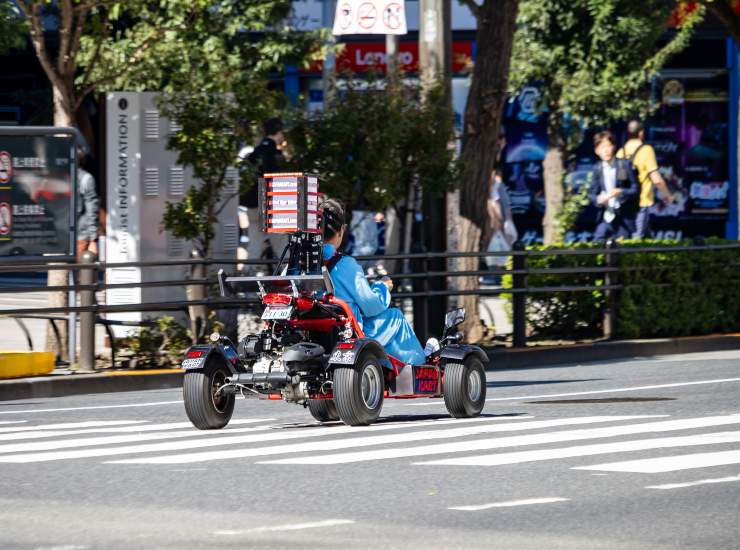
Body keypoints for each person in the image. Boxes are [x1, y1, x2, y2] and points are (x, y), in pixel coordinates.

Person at [321, 199, 426, 366]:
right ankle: (416, 364)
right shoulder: (345, 264)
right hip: (347, 332)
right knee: (394, 317)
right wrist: (382, 286)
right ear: (341, 231)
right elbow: (371, 306)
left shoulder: (298, 265)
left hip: (311, 331)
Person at [616, 120, 673, 238]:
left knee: (645, 237)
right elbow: (656, 179)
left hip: (625, 202)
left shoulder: (621, 152)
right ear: (641, 133)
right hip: (642, 202)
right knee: (637, 239)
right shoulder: (646, 150)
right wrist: (667, 195)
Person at [243, 117, 287, 267]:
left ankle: (247, 285)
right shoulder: (275, 154)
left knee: (254, 248)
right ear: (279, 132)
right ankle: (291, 285)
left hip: (252, 205)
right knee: (282, 248)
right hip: (271, 205)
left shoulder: (255, 152)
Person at [590, 131, 638, 241]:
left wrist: (621, 192)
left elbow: (635, 189)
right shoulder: (597, 168)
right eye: (602, 147)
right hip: (606, 216)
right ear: (597, 151)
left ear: (614, 147)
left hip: (624, 216)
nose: (606, 150)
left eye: (608, 146)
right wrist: (598, 199)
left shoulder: (623, 165)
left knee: (622, 250)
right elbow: (592, 193)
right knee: (598, 242)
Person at [76, 145, 98, 261]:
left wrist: (93, 239)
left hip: (80, 235)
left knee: (81, 273)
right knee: (78, 274)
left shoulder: (85, 179)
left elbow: (91, 209)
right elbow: (92, 209)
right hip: (74, 235)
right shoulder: (86, 178)